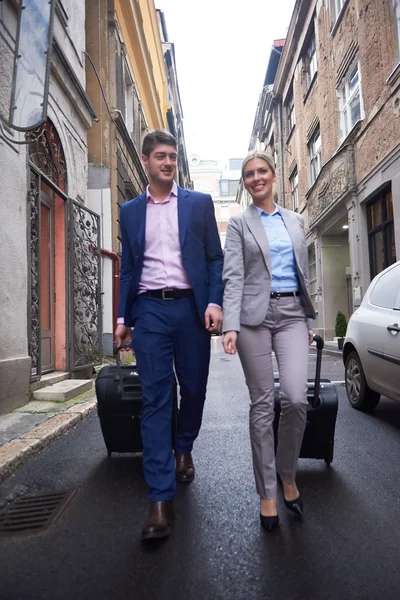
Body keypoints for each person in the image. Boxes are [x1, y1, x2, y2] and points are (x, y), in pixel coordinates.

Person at [115, 129, 224, 541]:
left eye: (172, 156)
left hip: (190, 308)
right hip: (149, 310)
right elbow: (128, 268)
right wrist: (124, 315)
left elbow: (215, 258)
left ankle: (184, 446)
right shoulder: (129, 211)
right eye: (160, 156)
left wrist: (214, 302)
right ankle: (160, 500)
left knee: (193, 388)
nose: (167, 162)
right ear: (146, 161)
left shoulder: (198, 204)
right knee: (156, 399)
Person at [222, 150, 316, 532]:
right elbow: (234, 276)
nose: (256, 178)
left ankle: (287, 473)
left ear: (274, 176)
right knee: (262, 404)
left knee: (295, 398)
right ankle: (268, 492)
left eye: (262, 171)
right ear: (245, 183)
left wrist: (309, 318)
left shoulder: (295, 220)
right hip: (253, 320)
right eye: (249, 174)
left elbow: (302, 270)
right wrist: (230, 325)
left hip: (293, 313)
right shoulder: (239, 223)